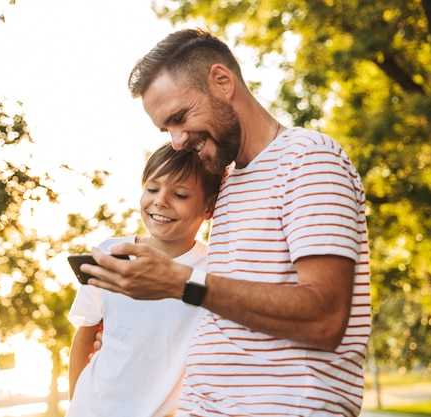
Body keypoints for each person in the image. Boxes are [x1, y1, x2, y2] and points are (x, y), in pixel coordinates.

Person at [82, 28, 371, 416]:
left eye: (180, 118)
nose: (177, 140)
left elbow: (325, 317)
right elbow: (229, 306)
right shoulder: (228, 181)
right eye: (166, 128)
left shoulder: (308, 160)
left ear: (222, 81)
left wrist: (177, 282)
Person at [66, 141, 223, 417]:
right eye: (152, 189)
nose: (160, 201)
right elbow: (85, 336)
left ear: (208, 207)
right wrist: (74, 406)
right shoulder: (109, 253)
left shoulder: (215, 271)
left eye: (180, 195)